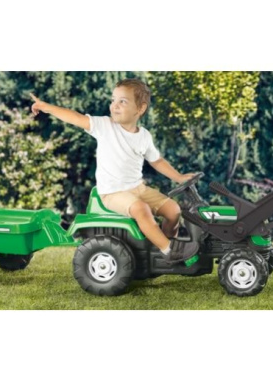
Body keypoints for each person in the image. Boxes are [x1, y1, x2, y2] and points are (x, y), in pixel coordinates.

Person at [30, 78, 199, 264]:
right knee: (141, 209)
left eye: (122, 101)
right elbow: (76, 118)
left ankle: (165, 246)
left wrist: (179, 177)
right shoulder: (105, 126)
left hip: (138, 189)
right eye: (113, 100)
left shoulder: (144, 136)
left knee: (174, 210)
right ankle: (169, 250)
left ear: (140, 109)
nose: (114, 106)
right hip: (112, 193)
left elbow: (157, 161)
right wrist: (46, 107)